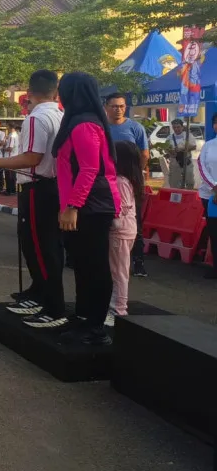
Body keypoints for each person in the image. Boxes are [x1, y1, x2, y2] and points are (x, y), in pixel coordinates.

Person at [0, 70, 64, 327]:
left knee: (40, 247)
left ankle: (52, 306)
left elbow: (32, 158)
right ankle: (38, 292)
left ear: (29, 92)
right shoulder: (60, 114)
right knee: (39, 244)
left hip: (39, 187)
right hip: (52, 187)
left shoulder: (37, 118)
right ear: (55, 92)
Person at [53, 72, 120, 346]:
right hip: (82, 204)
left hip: (91, 204)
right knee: (81, 263)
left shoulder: (85, 125)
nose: (60, 95)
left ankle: (95, 327)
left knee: (94, 265)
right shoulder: (78, 123)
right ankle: (84, 319)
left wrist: (72, 206)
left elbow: (90, 168)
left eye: (62, 90)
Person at [104, 93, 149, 278]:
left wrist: (135, 176)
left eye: (122, 106)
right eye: (114, 106)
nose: (118, 109)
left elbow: (144, 154)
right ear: (106, 107)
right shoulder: (101, 126)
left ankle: (138, 261)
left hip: (129, 183)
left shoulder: (135, 128)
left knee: (133, 221)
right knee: (107, 221)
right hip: (105, 183)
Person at [110, 140, 144, 324]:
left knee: (118, 272)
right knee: (118, 270)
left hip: (119, 231)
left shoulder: (120, 181)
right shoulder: (129, 180)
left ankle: (118, 310)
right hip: (126, 230)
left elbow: (119, 208)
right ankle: (115, 306)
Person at [197, 113, 217, 280]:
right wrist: (215, 186)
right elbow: (201, 167)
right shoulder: (208, 146)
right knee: (214, 232)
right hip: (209, 196)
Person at [167, 118, 197, 189]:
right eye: (174, 127)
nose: (176, 129)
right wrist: (171, 151)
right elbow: (167, 150)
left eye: (178, 127)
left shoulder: (188, 135)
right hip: (174, 163)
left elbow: (194, 146)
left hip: (186, 162)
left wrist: (182, 149)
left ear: (182, 127)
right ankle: (176, 199)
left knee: (190, 182)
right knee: (174, 184)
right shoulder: (169, 138)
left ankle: (188, 198)